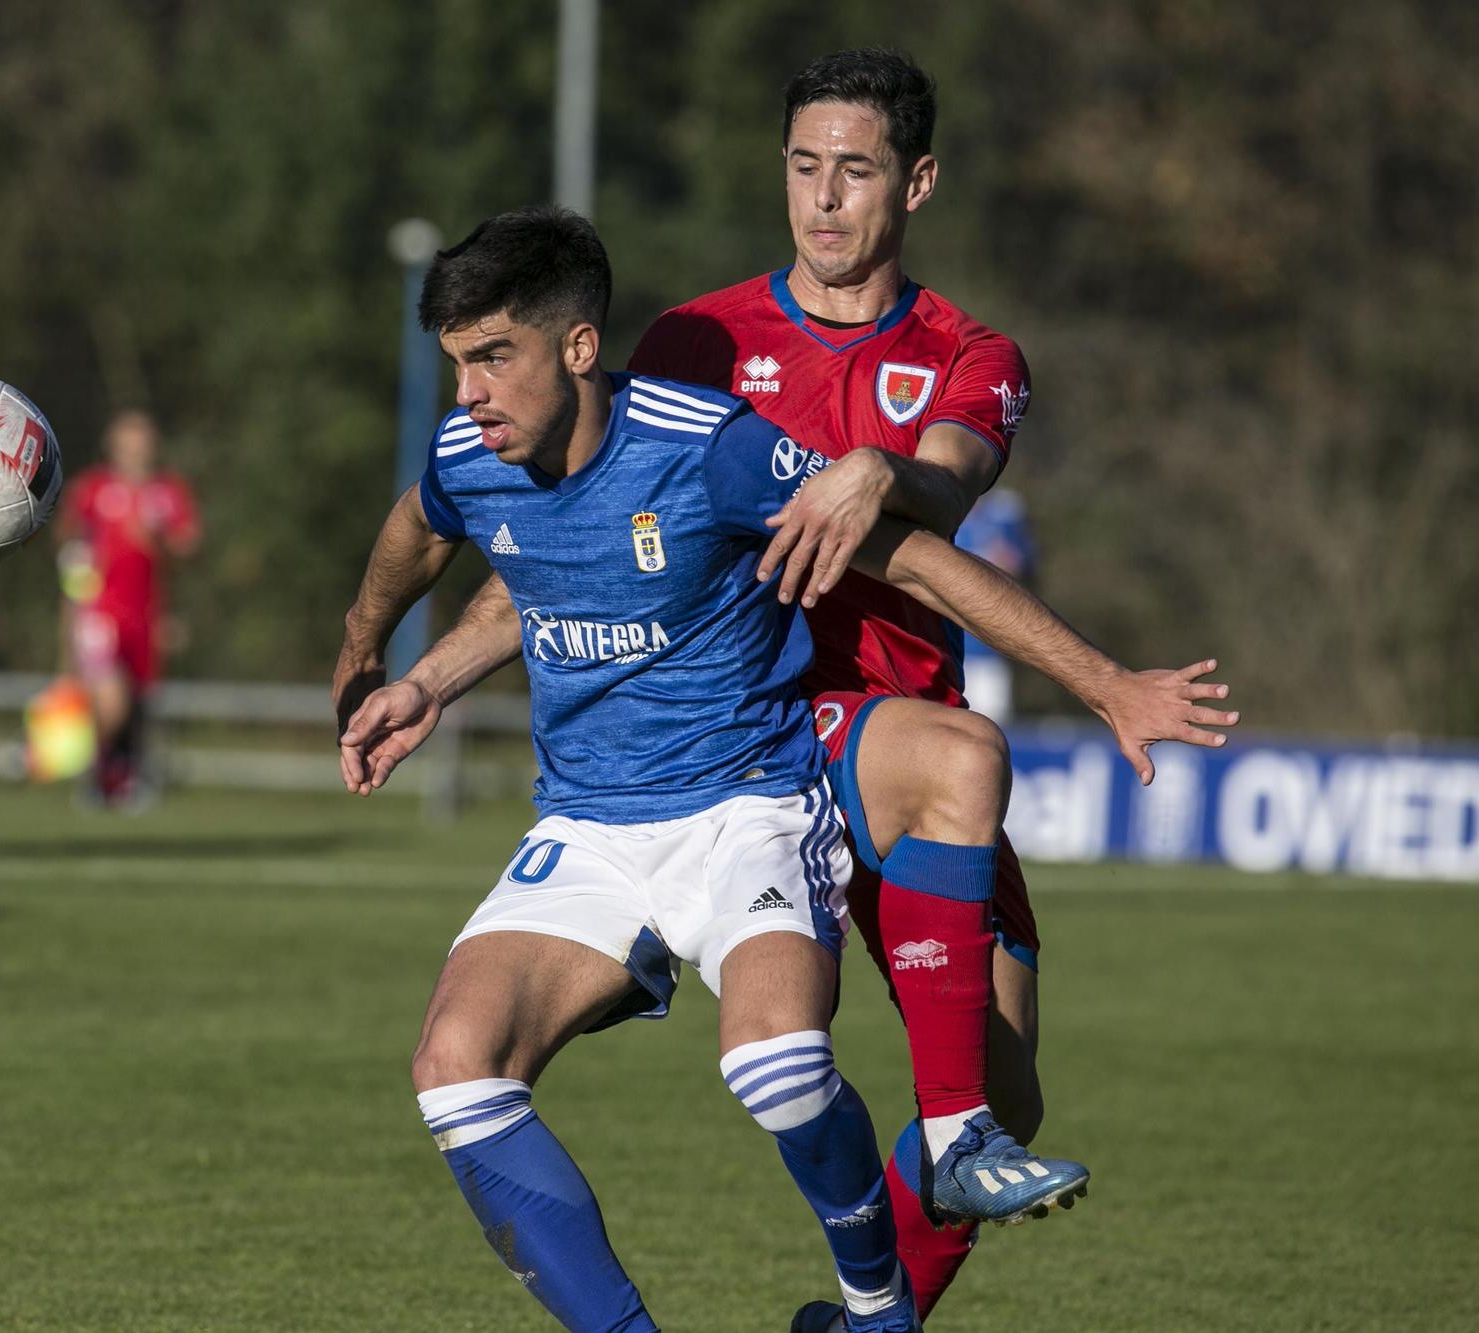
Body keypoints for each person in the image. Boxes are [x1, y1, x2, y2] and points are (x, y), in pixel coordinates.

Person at [335, 208, 1234, 1332]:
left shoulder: (707, 443)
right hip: (586, 830)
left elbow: (913, 558)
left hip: (743, 810)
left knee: (777, 1065)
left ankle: (873, 1304)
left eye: (491, 357)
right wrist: (381, 652)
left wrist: (1101, 680)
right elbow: (420, 529)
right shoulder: (475, 452)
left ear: (575, 347)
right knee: (453, 1072)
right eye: (455, 362)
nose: (468, 392)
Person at [622, 48, 1181, 1319]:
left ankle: (876, 1308)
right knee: (951, 801)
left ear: (915, 183)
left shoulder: (970, 352)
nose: (824, 199)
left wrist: (881, 468)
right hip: (761, 723)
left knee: (1011, 1080)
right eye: (804, 168)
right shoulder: (694, 342)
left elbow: (946, 478)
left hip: (909, 716)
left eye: (856, 171)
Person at [54, 408, 201, 809]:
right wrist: (73, 602)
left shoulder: (169, 492)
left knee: (138, 700)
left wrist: (158, 543)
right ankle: (94, 768)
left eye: (143, 440)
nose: (136, 449)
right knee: (111, 697)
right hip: (99, 612)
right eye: (128, 440)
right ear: (113, 445)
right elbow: (67, 544)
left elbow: (189, 547)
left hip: (148, 614)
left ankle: (118, 777)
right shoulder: (92, 489)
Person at [952, 490, 1038, 722]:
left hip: (989, 651)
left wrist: (1012, 561)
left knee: (994, 727)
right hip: (944, 651)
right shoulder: (942, 510)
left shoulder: (1005, 513)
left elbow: (1027, 562)